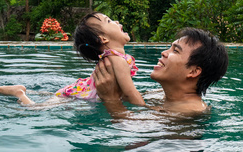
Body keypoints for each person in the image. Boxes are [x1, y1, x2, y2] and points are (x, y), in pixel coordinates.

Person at [0, 12, 145, 107]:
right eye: (109, 21)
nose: (117, 22)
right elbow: (131, 94)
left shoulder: (114, 58)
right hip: (82, 93)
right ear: (103, 38)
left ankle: (33, 91)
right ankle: (20, 93)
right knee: (37, 108)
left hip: (81, 90)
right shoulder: (118, 60)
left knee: (59, 97)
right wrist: (146, 110)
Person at [93, 28, 228, 115]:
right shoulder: (159, 95)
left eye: (175, 51)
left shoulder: (189, 112)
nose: (164, 53)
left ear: (193, 71)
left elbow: (133, 131)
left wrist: (110, 99)